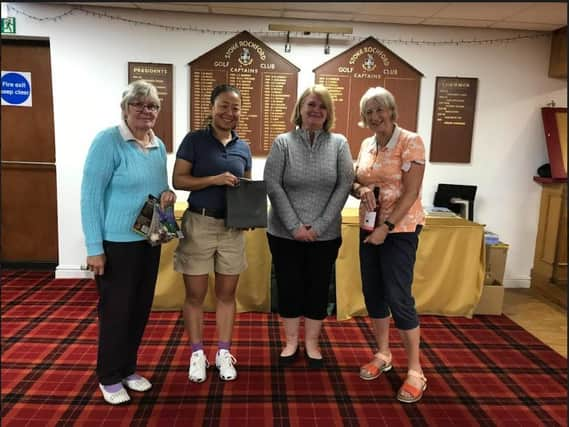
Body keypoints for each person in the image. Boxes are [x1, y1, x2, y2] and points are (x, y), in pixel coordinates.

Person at [81, 80, 176, 405]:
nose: (145, 111)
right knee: (116, 311)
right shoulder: (107, 141)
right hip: (116, 244)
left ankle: (127, 368)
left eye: (151, 106)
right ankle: (108, 376)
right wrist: (94, 248)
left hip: (148, 238)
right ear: (125, 109)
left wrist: (167, 196)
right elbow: (90, 196)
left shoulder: (158, 145)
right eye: (138, 104)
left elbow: (158, 188)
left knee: (139, 309)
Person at [264, 84, 354, 368]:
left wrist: (319, 226)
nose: (316, 110)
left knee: (317, 288)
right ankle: (291, 343)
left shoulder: (339, 143)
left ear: (328, 113)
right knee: (289, 287)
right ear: (300, 109)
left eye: (322, 106)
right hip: (283, 234)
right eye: (311, 105)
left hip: (325, 236)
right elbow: (272, 184)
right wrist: (294, 227)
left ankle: (313, 344)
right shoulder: (282, 143)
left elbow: (344, 185)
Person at [351, 86, 427, 403]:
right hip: (368, 226)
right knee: (374, 293)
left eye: (380, 109)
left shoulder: (411, 141)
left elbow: (410, 192)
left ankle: (415, 371)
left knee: (398, 296)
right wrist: (359, 188)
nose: (375, 116)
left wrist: (388, 226)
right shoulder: (368, 144)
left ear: (392, 110)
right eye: (369, 111)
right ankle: (383, 353)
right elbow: (357, 181)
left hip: (400, 230)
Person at [173, 84, 252, 383]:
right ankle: (196, 353)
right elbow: (179, 180)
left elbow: (245, 188)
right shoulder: (194, 140)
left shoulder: (242, 147)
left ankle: (222, 352)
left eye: (235, 107)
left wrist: (247, 214)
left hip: (231, 230)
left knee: (227, 295)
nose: (229, 112)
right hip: (199, 224)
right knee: (195, 295)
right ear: (211, 107)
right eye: (223, 106)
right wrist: (215, 179)